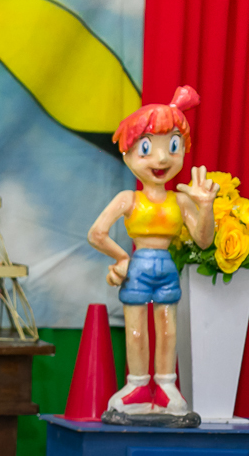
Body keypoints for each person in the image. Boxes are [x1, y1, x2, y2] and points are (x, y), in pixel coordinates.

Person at [87, 85, 218, 415]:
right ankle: (136, 385)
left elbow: (204, 240)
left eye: (172, 147)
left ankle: (165, 384)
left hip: (166, 272)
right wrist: (122, 258)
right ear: (129, 155)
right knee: (135, 330)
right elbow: (97, 233)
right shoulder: (128, 199)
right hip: (138, 270)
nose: (161, 159)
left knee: (167, 329)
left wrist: (205, 208)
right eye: (147, 149)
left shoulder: (182, 200)